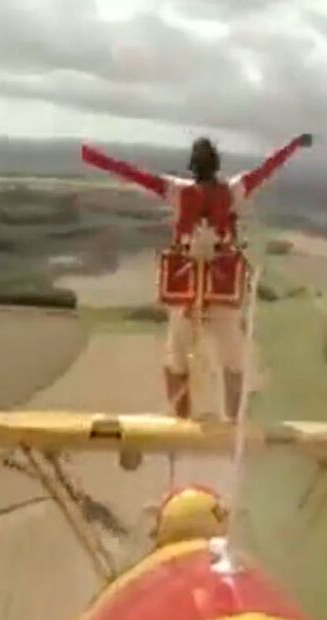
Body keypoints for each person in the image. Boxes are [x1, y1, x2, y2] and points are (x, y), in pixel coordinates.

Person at [81, 133, 313, 420]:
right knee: (231, 360)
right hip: (219, 288)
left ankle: (183, 421)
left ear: (193, 166)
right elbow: (267, 168)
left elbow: (132, 173)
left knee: (177, 360)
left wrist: (91, 156)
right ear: (216, 164)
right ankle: (231, 422)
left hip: (187, 290)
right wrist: (293, 146)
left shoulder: (180, 191)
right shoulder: (232, 190)